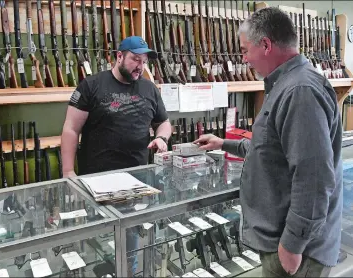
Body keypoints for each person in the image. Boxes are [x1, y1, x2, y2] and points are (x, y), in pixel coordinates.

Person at [194, 7, 342, 278]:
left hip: (297, 252)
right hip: (287, 244)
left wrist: (292, 246)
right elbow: (271, 150)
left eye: (245, 50)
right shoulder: (287, 85)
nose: (244, 58)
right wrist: (223, 143)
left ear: (265, 45)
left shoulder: (300, 91)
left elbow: (314, 178)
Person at [61, 36, 172, 276]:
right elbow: (71, 129)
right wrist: (68, 173)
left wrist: (162, 138)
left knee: (128, 246)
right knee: (95, 245)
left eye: (143, 61)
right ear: (119, 56)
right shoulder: (91, 85)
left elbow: (164, 123)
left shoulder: (149, 88)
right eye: (135, 59)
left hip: (136, 182)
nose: (140, 66)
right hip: (95, 184)